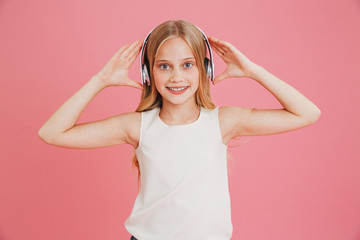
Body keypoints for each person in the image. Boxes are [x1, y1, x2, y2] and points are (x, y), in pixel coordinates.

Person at [38, 19, 321, 240]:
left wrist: (253, 70)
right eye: (164, 66)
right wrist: (100, 80)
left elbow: (308, 113)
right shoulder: (137, 126)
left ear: (205, 70)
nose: (176, 77)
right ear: (148, 73)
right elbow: (52, 133)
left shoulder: (223, 122)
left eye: (188, 65)